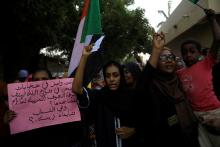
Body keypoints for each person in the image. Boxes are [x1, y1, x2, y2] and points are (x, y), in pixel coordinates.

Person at [136, 32, 199, 147]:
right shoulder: (152, 85)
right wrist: (156, 50)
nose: (168, 60)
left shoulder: (180, 80)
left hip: (191, 137)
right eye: (163, 58)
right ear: (156, 63)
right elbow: (142, 84)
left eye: (171, 57)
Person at [72, 45, 139, 147]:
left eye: (115, 75)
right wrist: (84, 57)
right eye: (108, 76)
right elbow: (77, 88)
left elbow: (147, 121)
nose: (111, 79)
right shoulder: (99, 96)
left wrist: (134, 130)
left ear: (121, 76)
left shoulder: (132, 96)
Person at [177, 9, 220, 147]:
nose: (188, 55)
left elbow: (218, 39)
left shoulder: (206, 63)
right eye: (184, 52)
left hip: (214, 111)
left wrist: (212, 19)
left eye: (192, 51)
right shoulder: (180, 73)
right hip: (195, 116)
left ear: (199, 53)